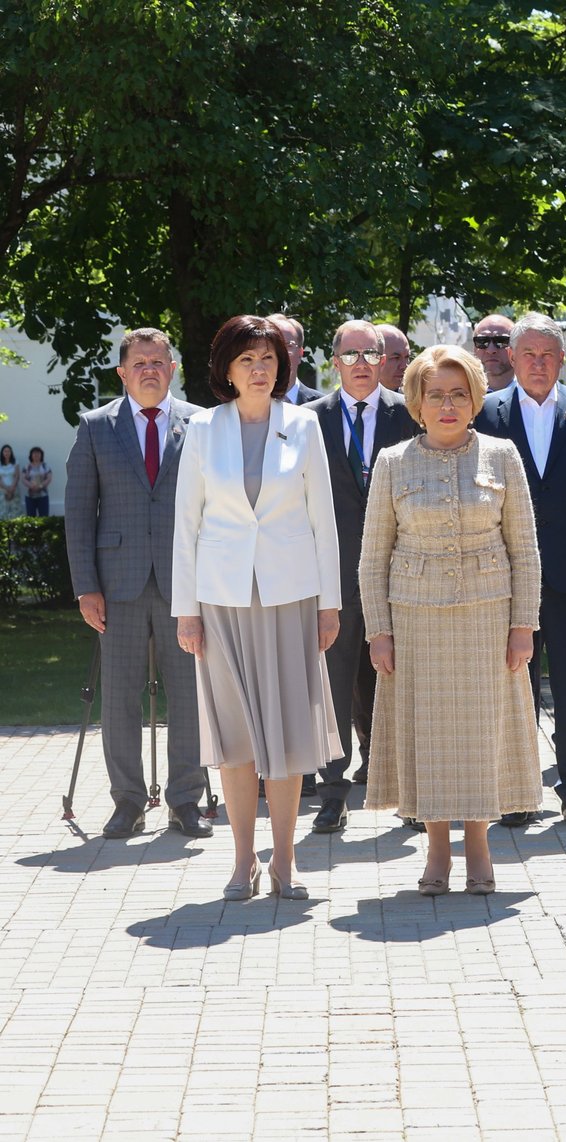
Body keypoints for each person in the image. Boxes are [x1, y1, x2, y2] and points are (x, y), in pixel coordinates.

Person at [172, 315, 343, 901]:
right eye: (246, 359)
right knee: (236, 736)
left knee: (289, 732)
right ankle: (243, 861)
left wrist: (330, 604)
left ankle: (286, 862)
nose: (259, 369)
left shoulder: (304, 425)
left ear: (283, 365)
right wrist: (185, 609)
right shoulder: (202, 429)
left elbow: (324, 521)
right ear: (226, 368)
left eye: (268, 358)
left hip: (290, 597)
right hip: (220, 601)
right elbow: (186, 526)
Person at [362, 346, 544, 894]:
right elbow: (373, 556)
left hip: (489, 619)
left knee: (482, 735)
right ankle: (437, 849)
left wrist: (523, 625)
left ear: (474, 399)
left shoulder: (503, 455)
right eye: (435, 395)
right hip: (415, 620)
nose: (447, 405)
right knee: (429, 737)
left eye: (458, 394)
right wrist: (378, 632)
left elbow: (525, 549)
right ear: (416, 403)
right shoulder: (393, 463)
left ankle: (481, 847)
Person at [475, 312, 566, 827]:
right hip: (501, 578)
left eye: (548, 355)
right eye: (529, 355)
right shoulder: (483, 413)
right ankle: (514, 793)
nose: (539, 364)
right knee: (510, 686)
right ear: (511, 359)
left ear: (562, 360)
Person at [62, 329, 212, 839]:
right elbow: (79, 514)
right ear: (122, 372)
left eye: (159, 361)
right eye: (139, 362)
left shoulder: (202, 424)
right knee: (119, 698)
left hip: (185, 585)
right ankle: (127, 801)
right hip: (117, 586)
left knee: (189, 696)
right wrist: (86, 586)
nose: (149, 369)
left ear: (172, 369)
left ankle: (185, 801)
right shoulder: (95, 427)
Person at [304, 320, 416, 833]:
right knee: (334, 681)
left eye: (371, 353)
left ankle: (415, 794)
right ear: (334, 362)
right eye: (350, 355)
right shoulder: (307, 421)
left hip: (404, 571)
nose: (362, 363)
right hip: (334, 574)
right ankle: (332, 792)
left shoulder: (409, 414)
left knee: (409, 681)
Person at [266, 313, 319, 405]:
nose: (280, 353)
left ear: (300, 353)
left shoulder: (324, 408)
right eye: (271, 346)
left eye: (288, 346)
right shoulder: (242, 406)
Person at [471, 314, 516, 393]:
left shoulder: (534, 394)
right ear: (474, 348)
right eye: (482, 341)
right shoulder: (460, 394)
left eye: (501, 341)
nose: (491, 350)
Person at [376, 323, 411, 393]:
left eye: (407, 357)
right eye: (396, 358)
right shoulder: (351, 400)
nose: (404, 366)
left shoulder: (414, 401)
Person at [22, 447, 52, 516]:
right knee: (31, 517)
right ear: (31, 455)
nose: (36, 455)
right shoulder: (27, 467)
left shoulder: (45, 466)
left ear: (41, 455)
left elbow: (49, 478)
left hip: (43, 495)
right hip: (30, 496)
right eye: (34, 453)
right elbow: (23, 479)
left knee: (44, 517)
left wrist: (40, 486)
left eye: (38, 453)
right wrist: (31, 486)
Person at [0, 445, 20, 520]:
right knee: (3, 511)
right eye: (5, 451)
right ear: (2, 452)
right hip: (2, 490)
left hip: (14, 489)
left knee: (15, 511)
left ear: (11, 452)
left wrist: (12, 487)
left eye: (8, 451)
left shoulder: (15, 462)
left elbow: (17, 476)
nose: (7, 453)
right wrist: (6, 488)